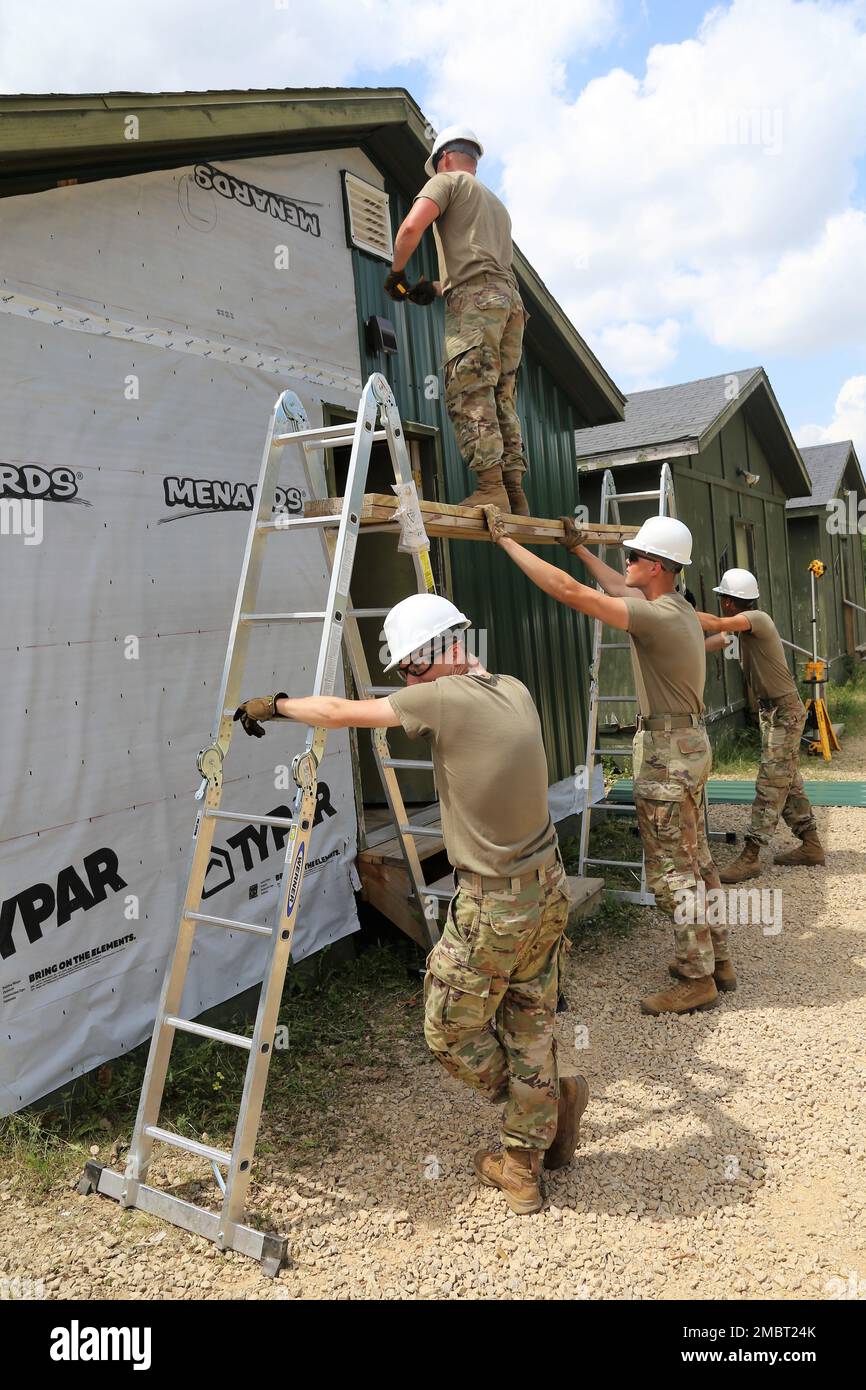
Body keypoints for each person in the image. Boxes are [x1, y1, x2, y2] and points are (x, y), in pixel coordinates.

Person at [234, 592, 588, 1215]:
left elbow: (341, 713)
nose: (407, 682)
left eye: (409, 669)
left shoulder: (441, 697)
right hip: (548, 890)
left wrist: (277, 704)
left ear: (438, 655)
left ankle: (543, 1109)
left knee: (447, 1028)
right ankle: (525, 1161)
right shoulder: (515, 688)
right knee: (531, 1021)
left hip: (496, 906)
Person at [482, 506, 735, 1014]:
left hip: (667, 758)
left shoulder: (659, 615)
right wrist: (578, 549)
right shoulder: (679, 607)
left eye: (634, 556)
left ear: (658, 566)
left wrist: (507, 543)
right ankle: (718, 959)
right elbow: (621, 592)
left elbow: (576, 595)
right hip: (689, 748)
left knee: (670, 872)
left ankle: (697, 977)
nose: (627, 561)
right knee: (698, 859)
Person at [382, 125, 530, 515]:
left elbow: (411, 227)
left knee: (468, 389)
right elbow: (486, 266)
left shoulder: (446, 182)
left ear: (444, 159)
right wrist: (434, 286)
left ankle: (489, 487)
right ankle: (515, 492)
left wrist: (396, 273)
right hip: (510, 303)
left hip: (476, 301)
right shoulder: (496, 204)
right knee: (501, 396)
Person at [697, 568, 824, 881]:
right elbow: (715, 638)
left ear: (730, 601)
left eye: (722, 597)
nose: (720, 603)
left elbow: (714, 624)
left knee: (770, 784)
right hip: (774, 713)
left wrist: (673, 608)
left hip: (785, 712)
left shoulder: (757, 618)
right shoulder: (744, 626)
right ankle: (811, 845)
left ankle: (751, 855)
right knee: (787, 781)